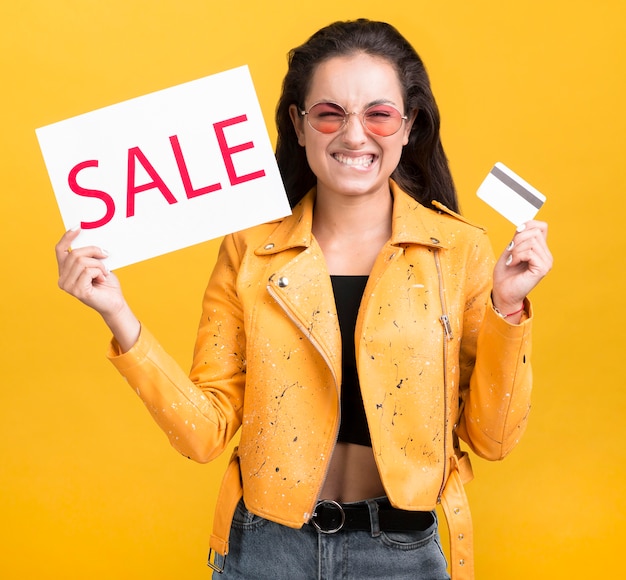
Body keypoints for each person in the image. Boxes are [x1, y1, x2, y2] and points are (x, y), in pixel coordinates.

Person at [55, 18, 552, 580]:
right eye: (330, 113)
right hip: (264, 551)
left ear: (409, 126)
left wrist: (508, 310)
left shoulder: (460, 251)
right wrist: (117, 313)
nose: (355, 135)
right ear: (299, 124)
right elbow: (203, 434)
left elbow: (492, 438)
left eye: (379, 114)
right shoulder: (249, 247)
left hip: (402, 556)